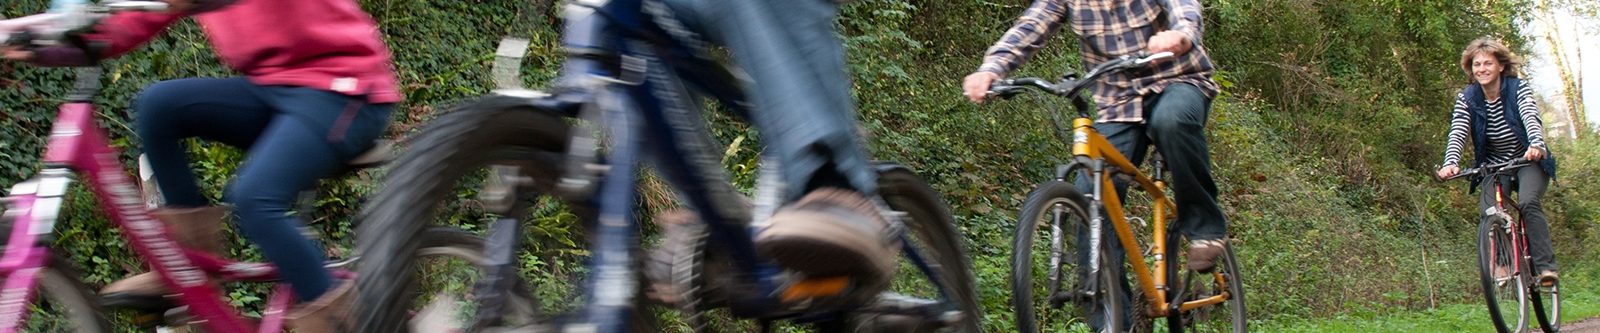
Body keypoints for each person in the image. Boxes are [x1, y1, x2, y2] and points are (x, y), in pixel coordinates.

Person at [2, 0, 398, 330]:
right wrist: (33, 39)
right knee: (159, 106)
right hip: (272, 85)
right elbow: (124, 25)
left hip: (344, 88)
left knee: (255, 199)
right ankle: (189, 272)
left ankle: (350, 324)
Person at [963, 0, 1224, 326]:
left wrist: (1180, 34)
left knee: (1172, 122)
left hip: (1176, 80)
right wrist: (992, 68)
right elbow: (1030, 27)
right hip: (1118, 104)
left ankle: (1205, 230)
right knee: (1089, 193)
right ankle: (1114, 322)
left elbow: (1183, 7)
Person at [1435, 37, 1559, 285]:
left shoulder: (1517, 89)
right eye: (1476, 64)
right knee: (1490, 210)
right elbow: (1458, 131)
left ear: (1500, 65)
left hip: (1528, 160)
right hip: (1494, 164)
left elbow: (1530, 116)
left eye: (1487, 63)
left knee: (1528, 202)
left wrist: (1536, 144)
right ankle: (1503, 265)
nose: (1481, 69)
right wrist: (1451, 161)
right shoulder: (1468, 98)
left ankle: (1546, 268)